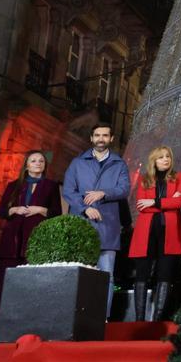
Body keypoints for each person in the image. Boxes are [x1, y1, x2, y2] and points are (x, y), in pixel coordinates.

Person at [62, 123, 130, 318]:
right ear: (91, 138)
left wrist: (103, 193)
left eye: (105, 135)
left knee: (106, 275)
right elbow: (68, 190)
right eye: (97, 135)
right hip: (81, 225)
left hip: (108, 226)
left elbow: (124, 189)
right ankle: (77, 317)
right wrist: (86, 208)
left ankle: (102, 318)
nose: (101, 138)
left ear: (111, 139)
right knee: (79, 273)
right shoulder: (77, 163)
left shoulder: (119, 164)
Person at [0, 150, 61, 320]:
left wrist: (41, 210)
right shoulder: (14, 185)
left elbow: (57, 212)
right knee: (5, 281)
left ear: (44, 166)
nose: (37, 163)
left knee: (32, 282)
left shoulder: (51, 186)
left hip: (36, 239)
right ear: (26, 165)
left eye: (41, 161)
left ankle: (27, 319)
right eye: (33, 160)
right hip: (12, 241)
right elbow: (0, 211)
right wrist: (13, 209)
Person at [127, 145, 181, 321]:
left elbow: (179, 202)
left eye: (168, 156)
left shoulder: (179, 177)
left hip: (169, 234)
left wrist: (153, 201)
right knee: (142, 274)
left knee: (165, 274)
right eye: (161, 157)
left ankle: (157, 319)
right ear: (154, 160)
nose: (165, 160)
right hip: (146, 233)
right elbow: (141, 206)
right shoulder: (144, 179)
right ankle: (139, 319)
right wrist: (167, 202)